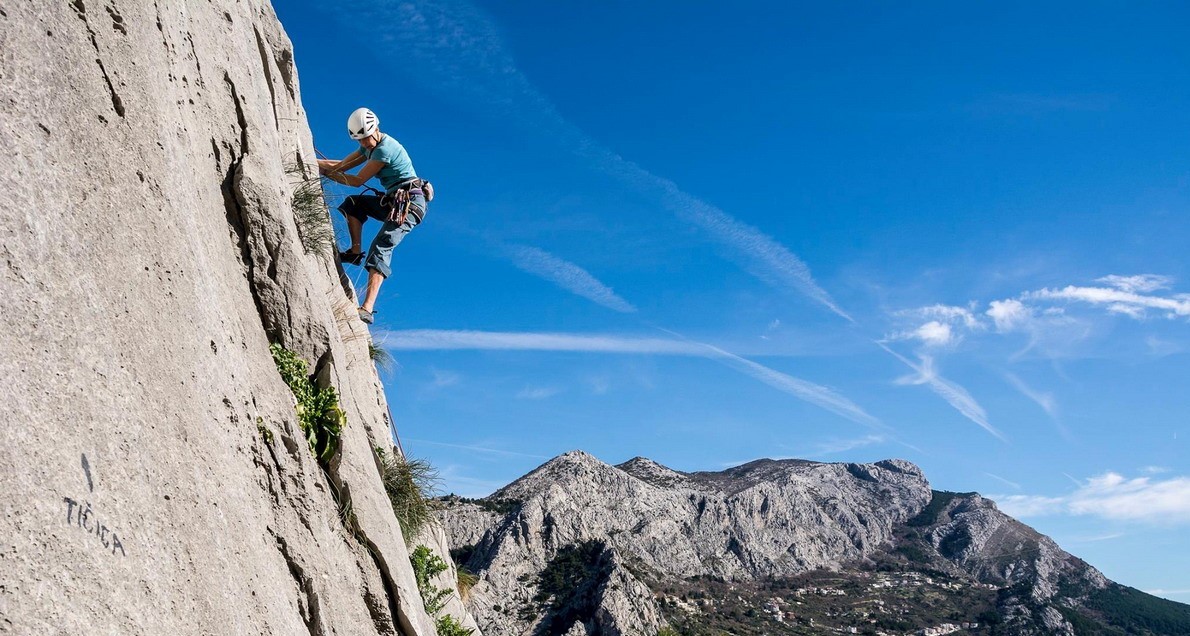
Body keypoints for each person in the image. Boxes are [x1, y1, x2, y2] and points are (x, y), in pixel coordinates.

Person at [318, 107, 430, 324]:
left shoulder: (384, 150)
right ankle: (354, 252)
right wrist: (315, 163)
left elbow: (358, 180)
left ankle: (367, 308)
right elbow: (342, 165)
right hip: (393, 201)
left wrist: (328, 173)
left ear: (376, 129)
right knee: (353, 204)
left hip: (410, 204)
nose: (363, 144)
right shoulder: (367, 148)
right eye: (359, 141)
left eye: (366, 139)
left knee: (382, 245)